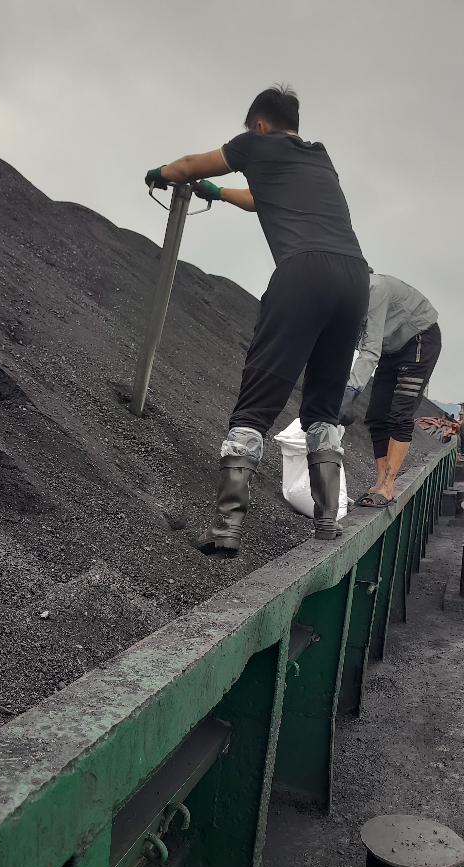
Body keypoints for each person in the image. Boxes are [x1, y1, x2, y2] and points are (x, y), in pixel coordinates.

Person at [145, 86, 369, 552]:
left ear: (260, 125)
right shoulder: (318, 157)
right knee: (322, 409)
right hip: (354, 278)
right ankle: (327, 523)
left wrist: (160, 173)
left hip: (303, 272)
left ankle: (226, 528)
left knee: (256, 401)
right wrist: (219, 194)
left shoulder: (255, 144)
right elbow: (258, 198)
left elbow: (189, 165)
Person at [338, 273, 441, 506]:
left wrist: (350, 392)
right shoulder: (344, 299)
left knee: (400, 414)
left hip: (419, 340)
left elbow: (370, 349)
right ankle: (380, 482)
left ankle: (388, 484)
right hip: (391, 347)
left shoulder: (375, 290)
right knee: (376, 416)